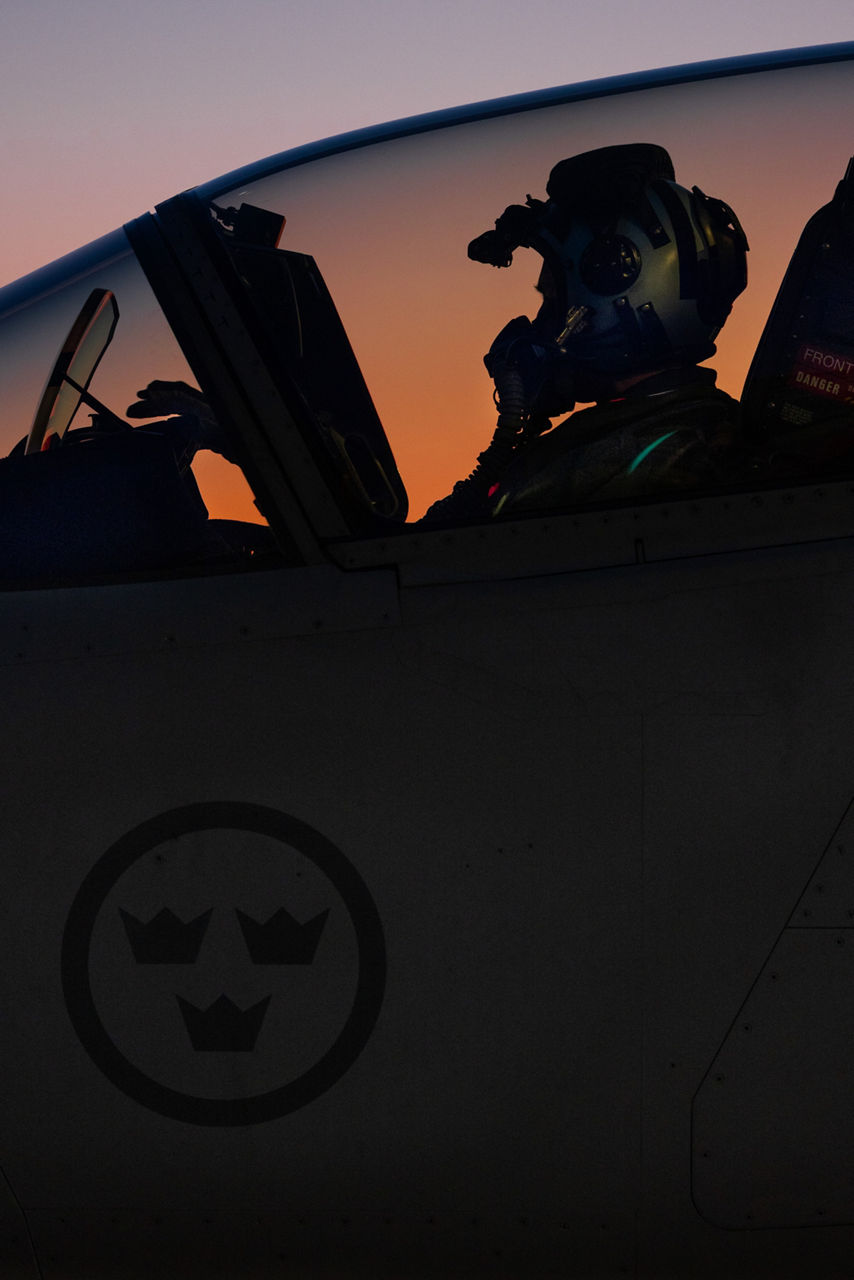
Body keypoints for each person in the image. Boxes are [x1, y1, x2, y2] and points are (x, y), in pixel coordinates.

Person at [421, 143, 749, 522]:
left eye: (552, 303)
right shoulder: (698, 428)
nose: (542, 328)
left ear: (619, 290)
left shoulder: (607, 473)